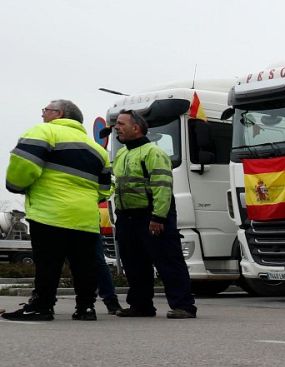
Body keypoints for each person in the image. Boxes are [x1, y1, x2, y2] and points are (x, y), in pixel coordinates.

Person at [3, 100, 109, 322]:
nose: (43, 114)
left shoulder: (44, 132)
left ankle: (42, 306)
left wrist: (15, 186)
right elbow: (105, 190)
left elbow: (23, 164)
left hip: (50, 213)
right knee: (84, 265)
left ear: (59, 113)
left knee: (48, 263)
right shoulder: (98, 150)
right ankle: (86, 308)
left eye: (46, 110)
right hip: (86, 217)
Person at [110, 110, 196, 318]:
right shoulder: (121, 153)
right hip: (126, 217)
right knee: (134, 264)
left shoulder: (153, 153)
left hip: (151, 216)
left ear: (136, 128)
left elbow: (162, 187)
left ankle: (183, 306)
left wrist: (158, 217)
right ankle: (141, 305)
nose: (116, 127)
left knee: (168, 261)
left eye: (121, 124)